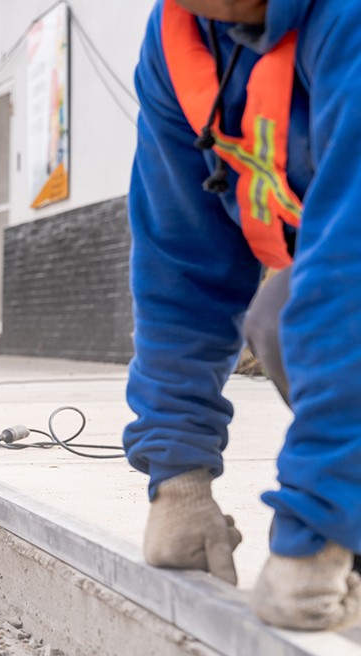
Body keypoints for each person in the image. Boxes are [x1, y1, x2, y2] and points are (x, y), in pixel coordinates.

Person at [126, 0, 361, 631]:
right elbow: (181, 264)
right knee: (279, 319)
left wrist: (318, 522)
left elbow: (349, 278)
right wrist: (178, 473)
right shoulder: (181, 37)